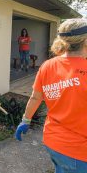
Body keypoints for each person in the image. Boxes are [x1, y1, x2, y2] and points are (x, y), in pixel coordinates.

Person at [15, 19, 87, 173]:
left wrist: (25, 120)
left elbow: (35, 97)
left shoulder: (48, 65)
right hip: (79, 150)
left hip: (52, 142)